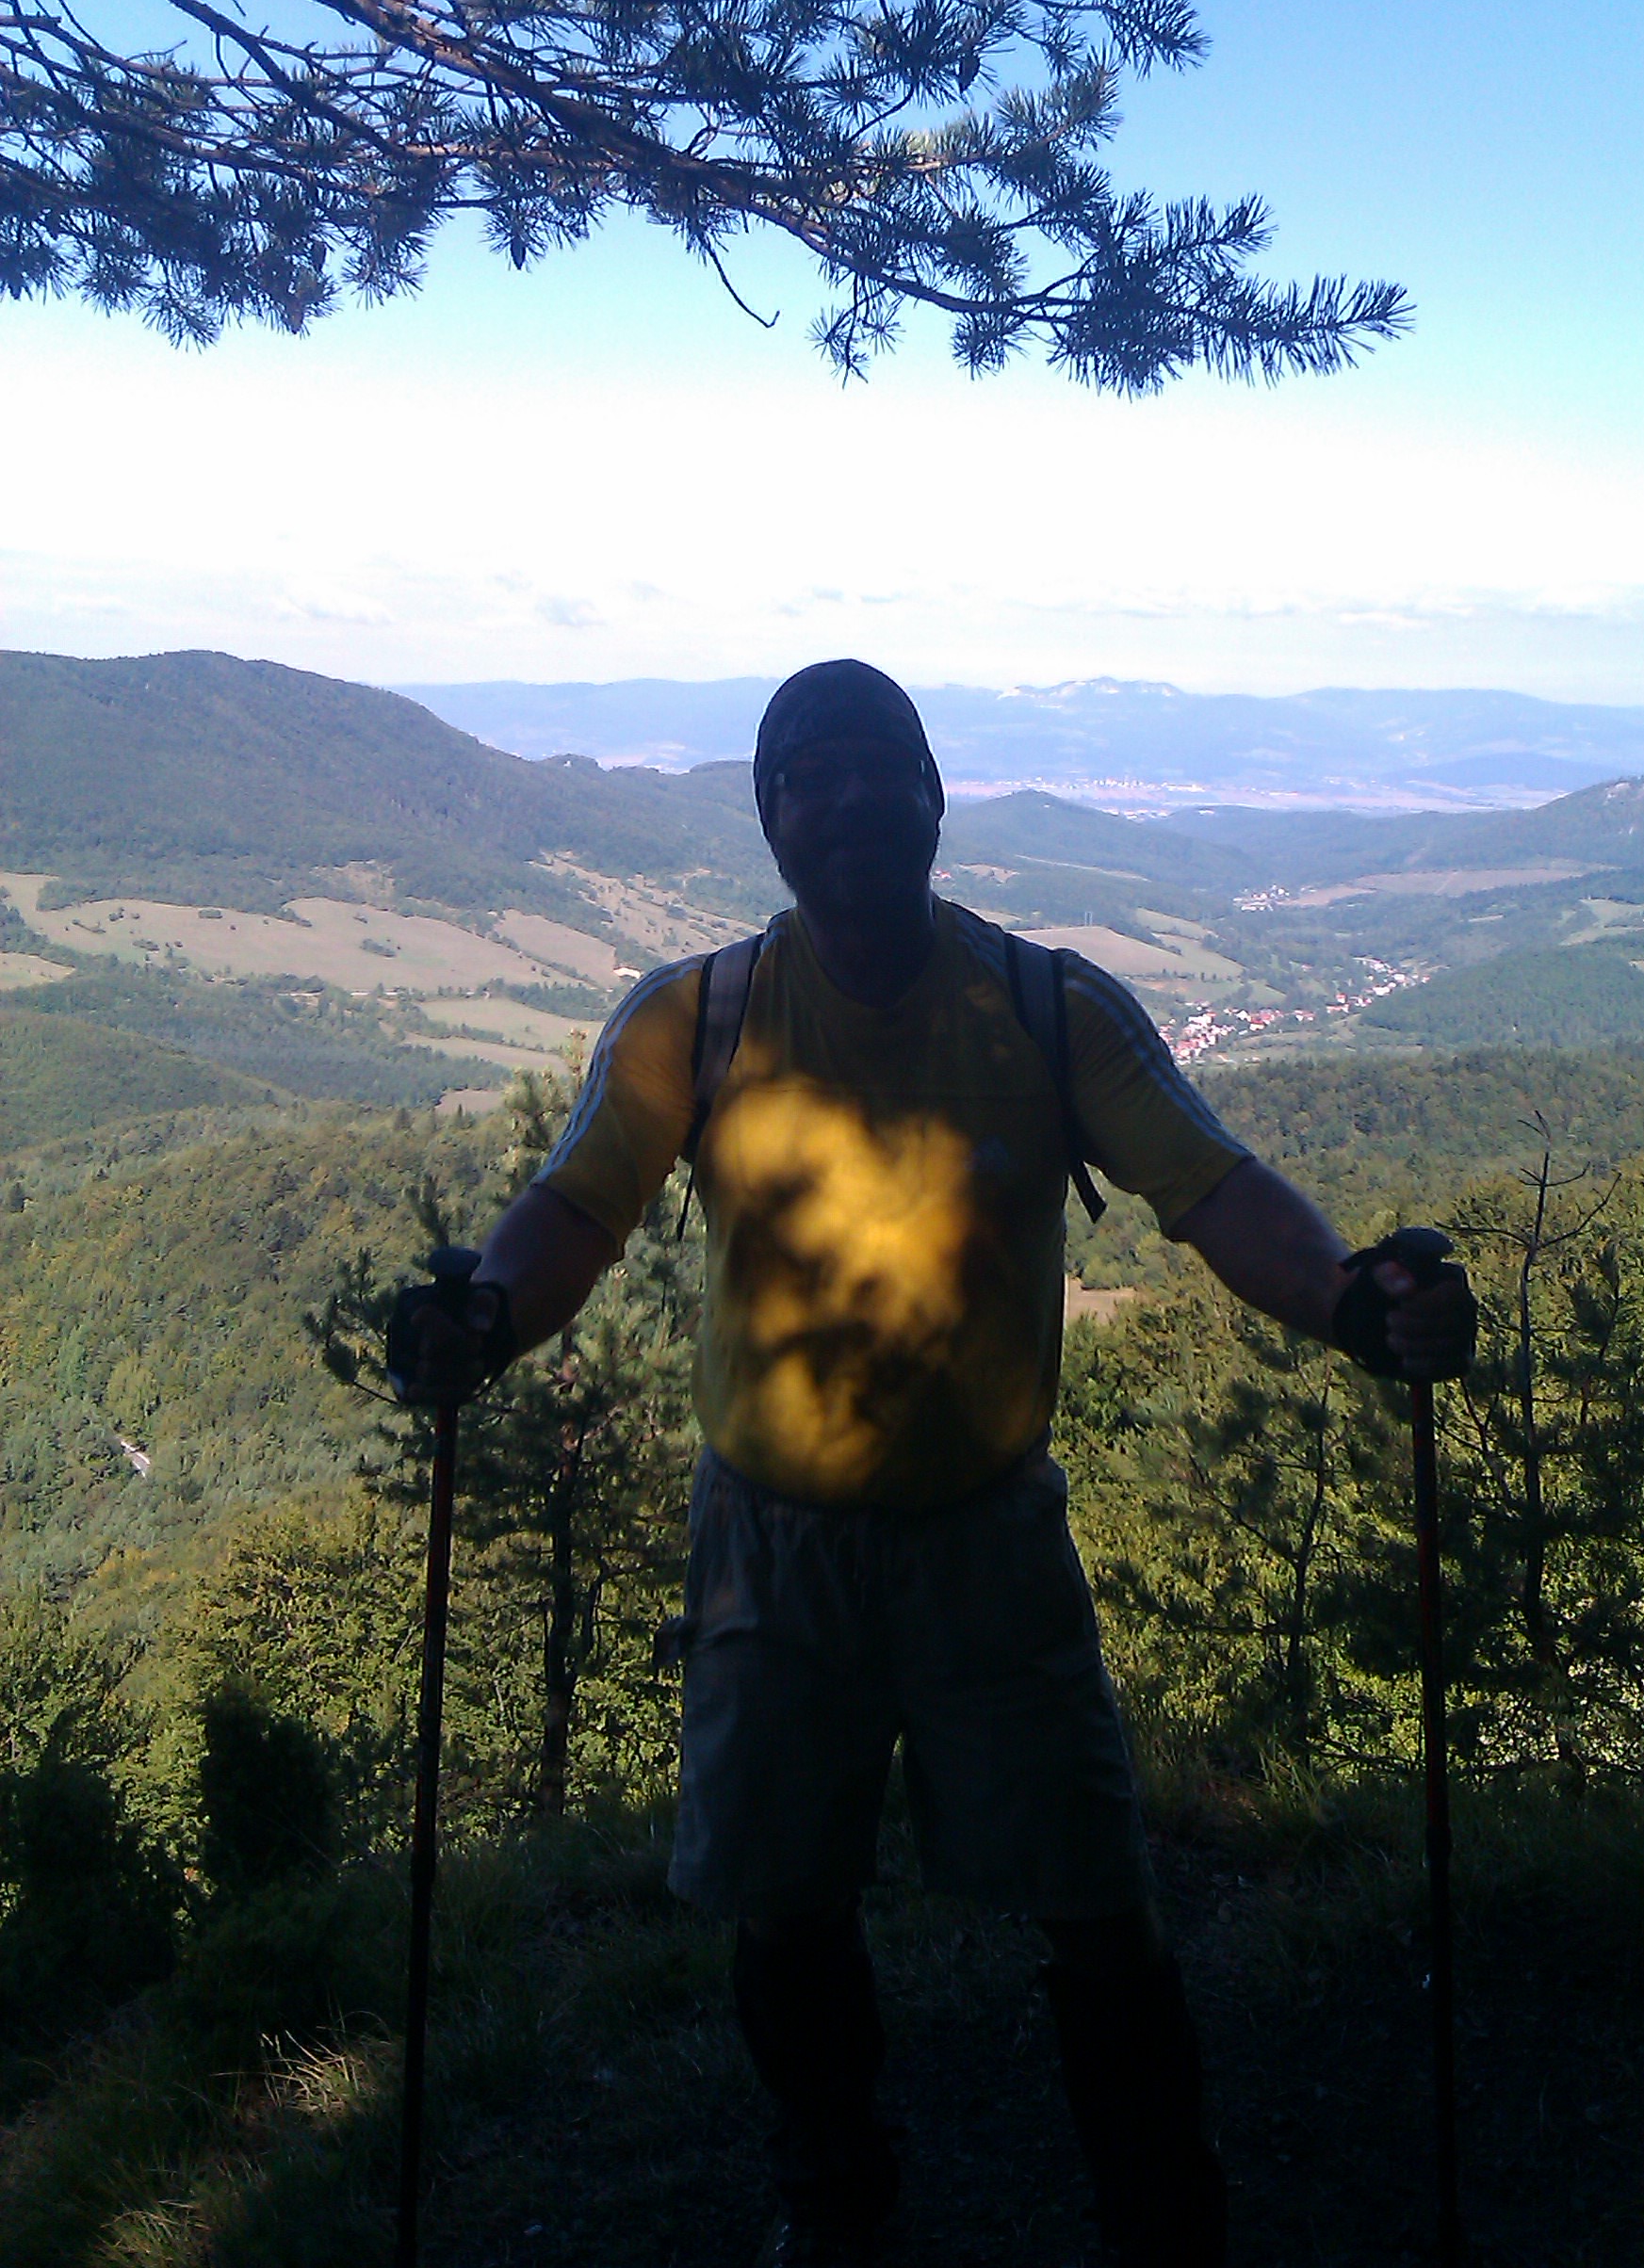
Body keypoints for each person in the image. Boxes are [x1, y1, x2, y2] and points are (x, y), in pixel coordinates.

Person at [395, 660, 1475, 2267]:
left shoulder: (1049, 1008)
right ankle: (851, 2205)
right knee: (793, 1905)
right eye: (807, 775)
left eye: (876, 766)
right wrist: (486, 1315)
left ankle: (1147, 2214)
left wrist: (1345, 1301)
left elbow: (1214, 1188)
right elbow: (574, 1208)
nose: (846, 798)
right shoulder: (697, 1019)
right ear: (769, 818)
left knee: (1091, 1898)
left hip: (984, 1534)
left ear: (934, 796)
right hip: (778, 1540)